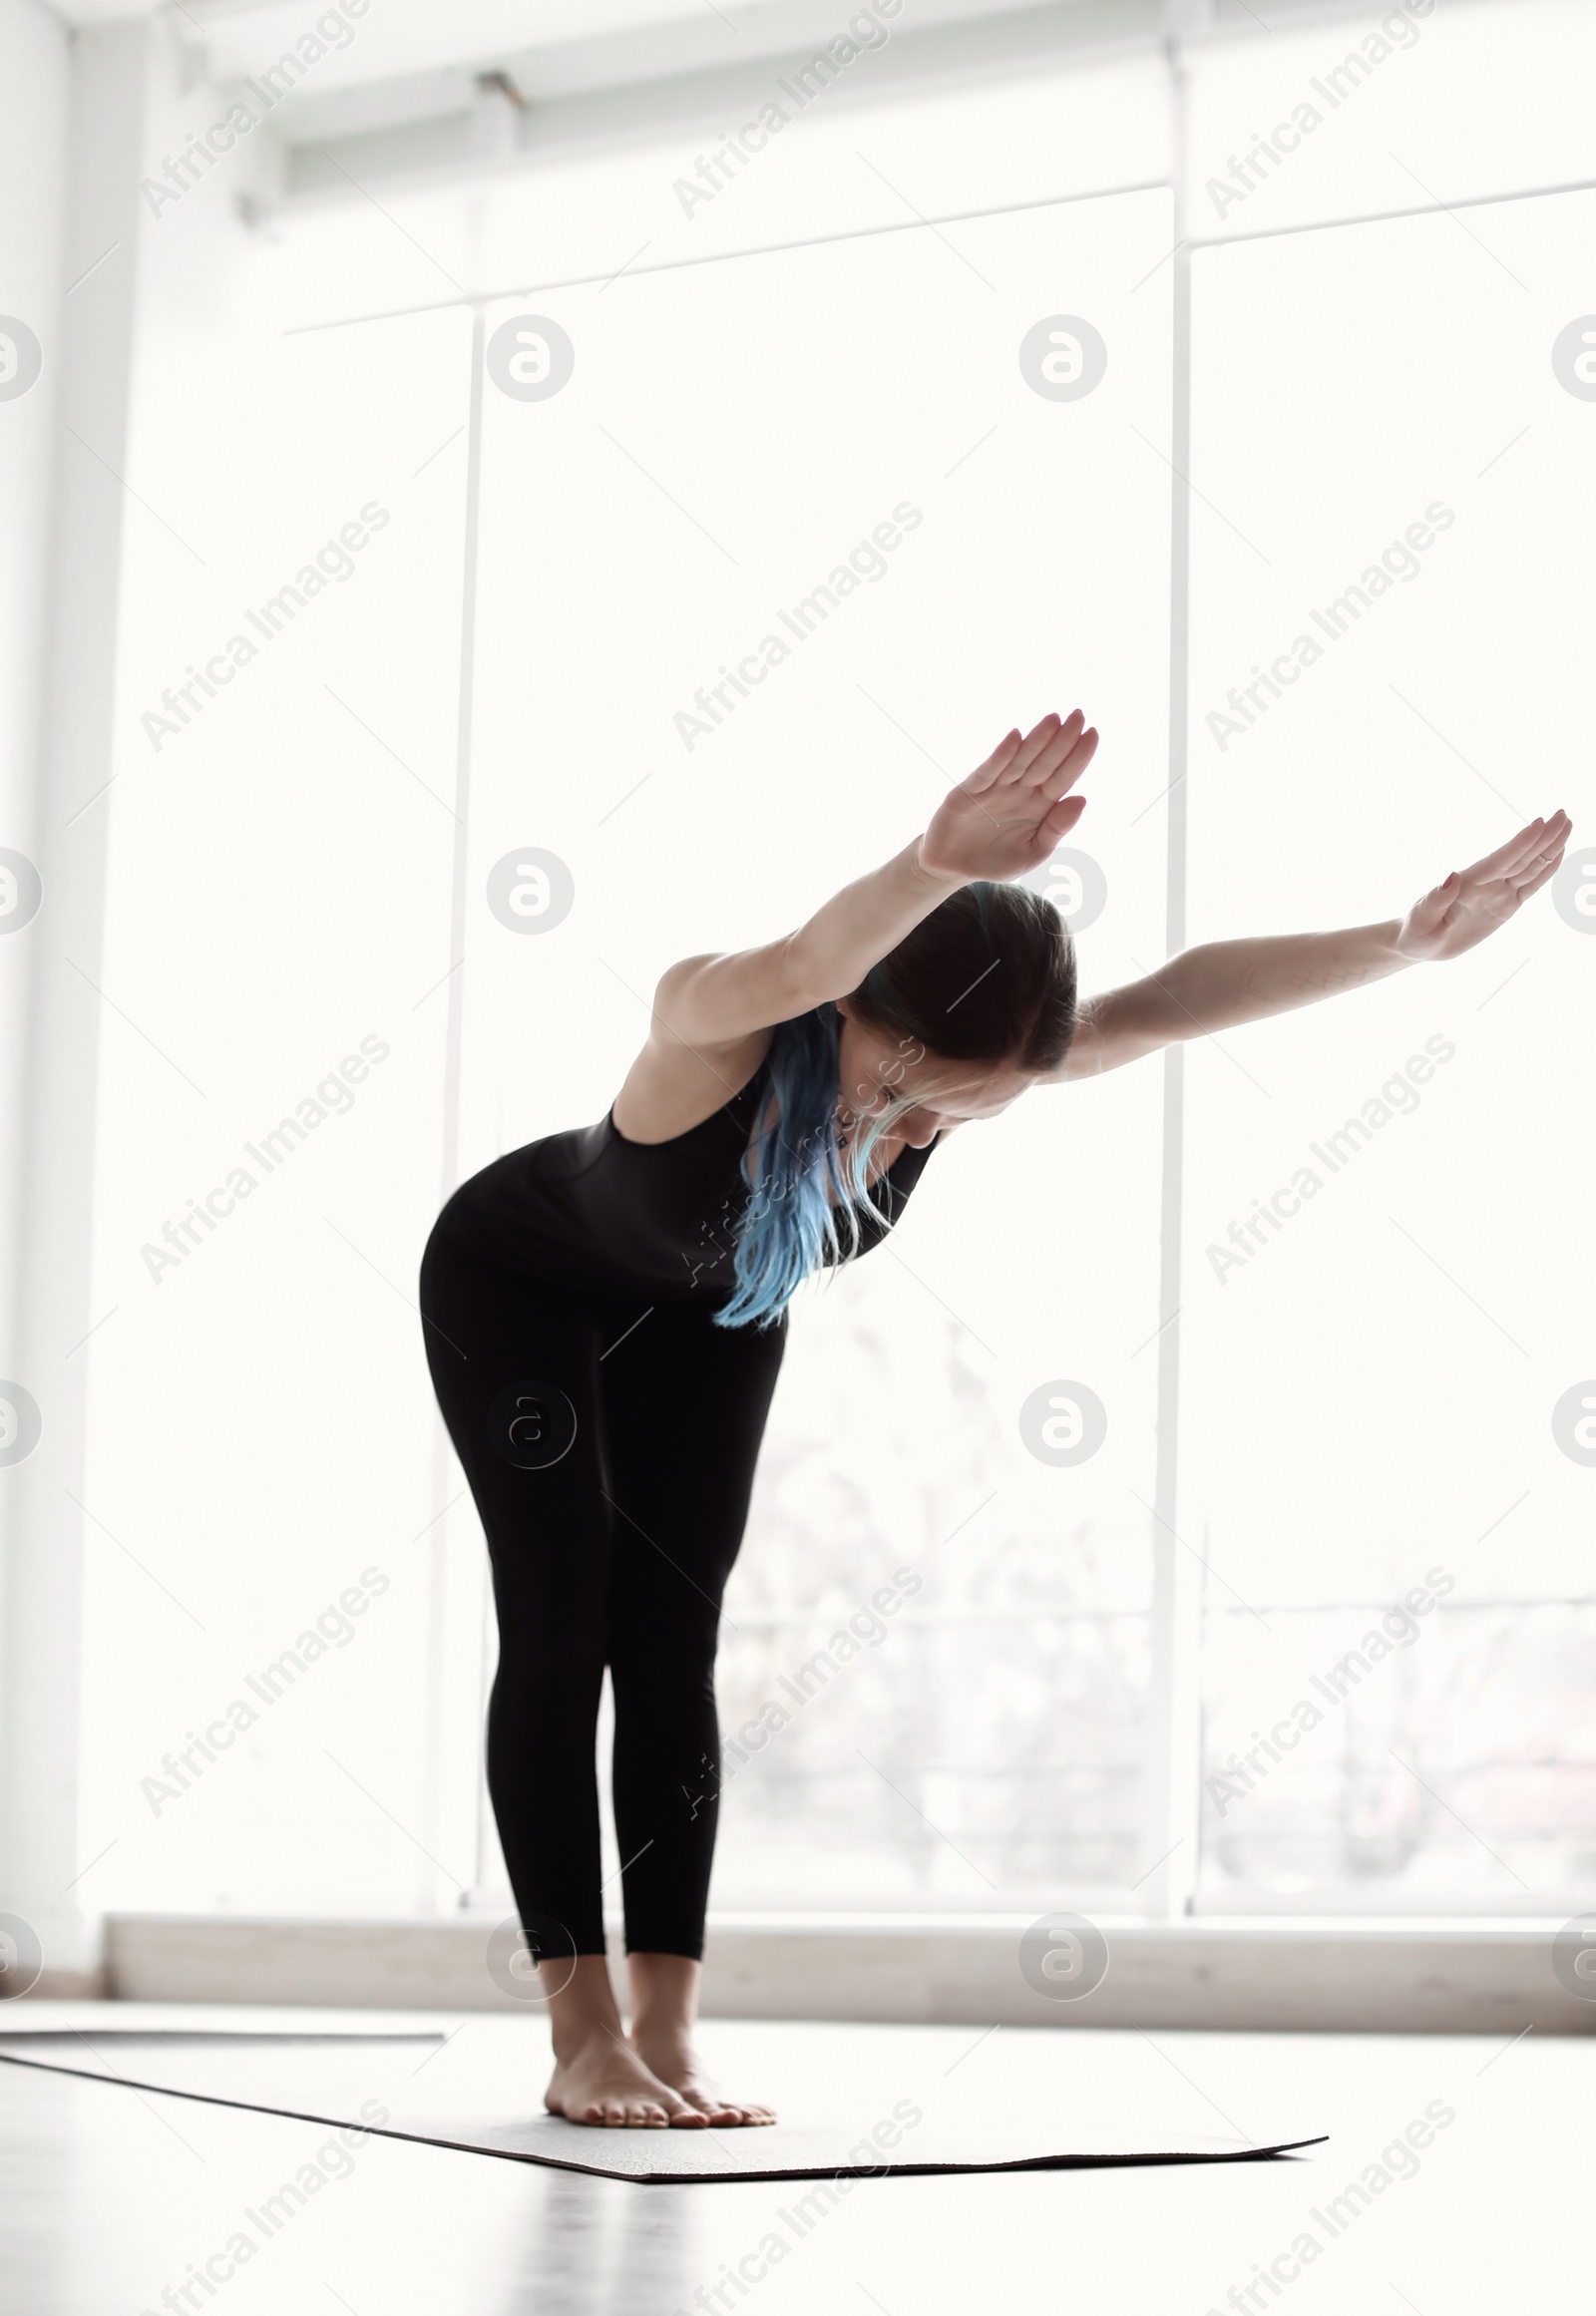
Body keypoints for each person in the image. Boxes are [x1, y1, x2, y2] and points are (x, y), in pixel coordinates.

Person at [419, 709, 1569, 2127]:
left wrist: (1404, 943)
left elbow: (1167, 1000)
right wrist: (927, 860)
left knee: (675, 1635)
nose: (904, 1141)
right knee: (562, 1620)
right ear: (855, 1016)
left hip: (716, 1310)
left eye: (951, 1125)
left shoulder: (951, 1075)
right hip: (522, 1283)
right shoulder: (717, 1026)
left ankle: (669, 2025)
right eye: (902, 1097)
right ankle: (579, 2032)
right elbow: (809, 954)